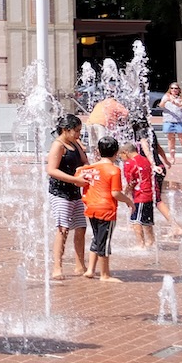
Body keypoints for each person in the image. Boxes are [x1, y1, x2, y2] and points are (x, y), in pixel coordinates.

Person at [79, 136, 133, 281]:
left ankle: (90, 270)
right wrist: (129, 201)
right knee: (105, 242)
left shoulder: (91, 168)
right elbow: (115, 193)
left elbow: (78, 177)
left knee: (97, 238)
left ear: (98, 151)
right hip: (106, 211)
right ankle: (105, 274)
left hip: (91, 208)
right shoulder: (114, 170)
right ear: (116, 152)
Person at [46, 113, 90, 280]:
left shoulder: (75, 143)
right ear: (66, 130)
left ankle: (80, 265)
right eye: (76, 131)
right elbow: (51, 170)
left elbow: (85, 161)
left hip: (74, 192)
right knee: (62, 230)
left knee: (81, 227)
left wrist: (87, 171)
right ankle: (57, 267)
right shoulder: (58, 145)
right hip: (60, 193)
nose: (79, 134)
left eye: (80, 131)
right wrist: (75, 179)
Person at [120, 140, 155, 249]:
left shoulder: (129, 163)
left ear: (126, 152)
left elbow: (131, 182)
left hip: (140, 195)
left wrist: (125, 194)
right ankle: (151, 242)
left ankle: (140, 244)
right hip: (149, 193)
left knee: (136, 220)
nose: (121, 159)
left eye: (121, 156)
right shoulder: (145, 160)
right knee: (147, 221)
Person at [157, 82, 182, 161]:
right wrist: (165, 101)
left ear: (179, 90)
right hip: (169, 120)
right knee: (171, 138)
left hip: (180, 120)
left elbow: (181, 105)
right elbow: (161, 106)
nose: (174, 90)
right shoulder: (166, 96)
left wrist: (175, 102)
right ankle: (172, 157)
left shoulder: (181, 98)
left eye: (175, 88)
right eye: (172, 88)